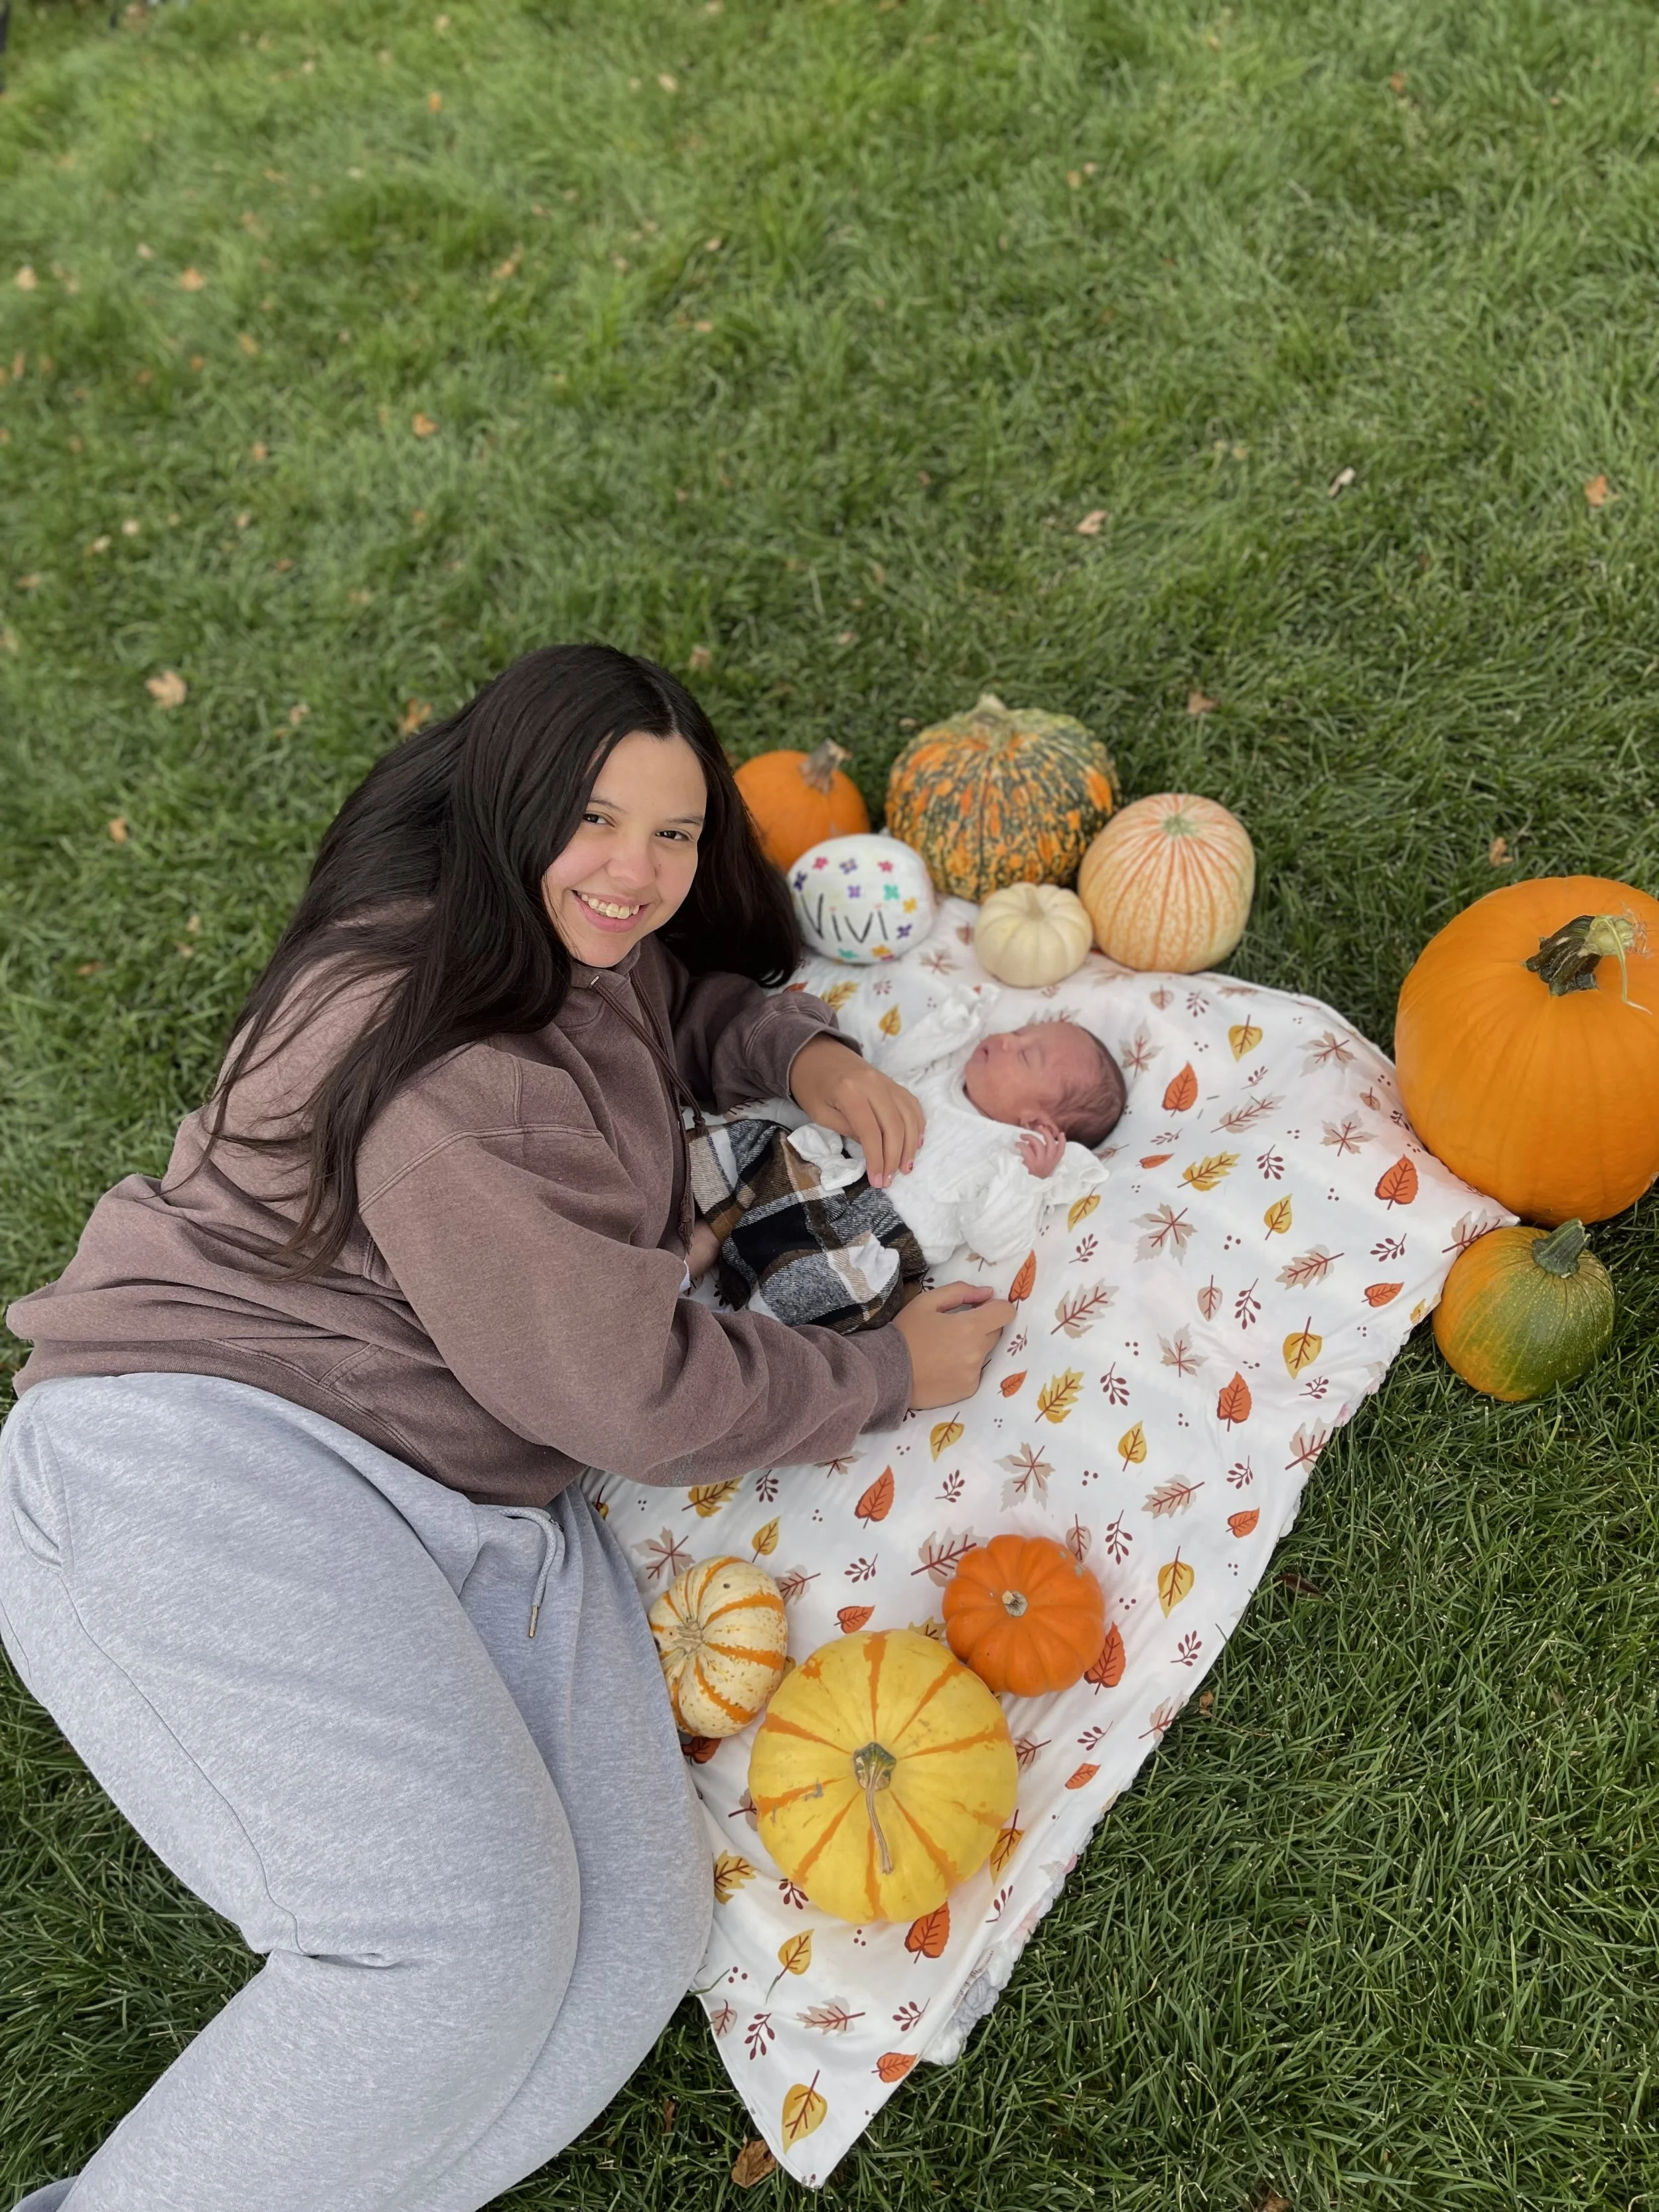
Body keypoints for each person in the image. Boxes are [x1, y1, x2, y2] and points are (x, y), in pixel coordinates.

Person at [0, 644, 1013, 2212]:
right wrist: (887, 1377)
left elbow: (658, 1006)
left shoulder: (559, 939)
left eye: (673, 836)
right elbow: (637, 1395)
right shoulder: (437, 1071)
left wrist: (788, 1051)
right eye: (598, 825)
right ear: (513, 807)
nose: (636, 874)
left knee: (624, 1944)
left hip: (474, 1490)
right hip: (209, 1451)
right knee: (450, 1951)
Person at [686, 980, 1125, 1326]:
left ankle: (741, 1337)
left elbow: (995, 1239)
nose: (1007, 1039)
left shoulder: (1010, 1157)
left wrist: (1028, 1180)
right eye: (1017, 1032)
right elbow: (890, 1069)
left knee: (843, 1288)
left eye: (1027, 1055)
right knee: (750, 1149)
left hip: (867, 1237)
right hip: (815, 1169)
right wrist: (951, 1025)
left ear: (1038, 1125)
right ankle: (700, 1244)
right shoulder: (944, 1078)